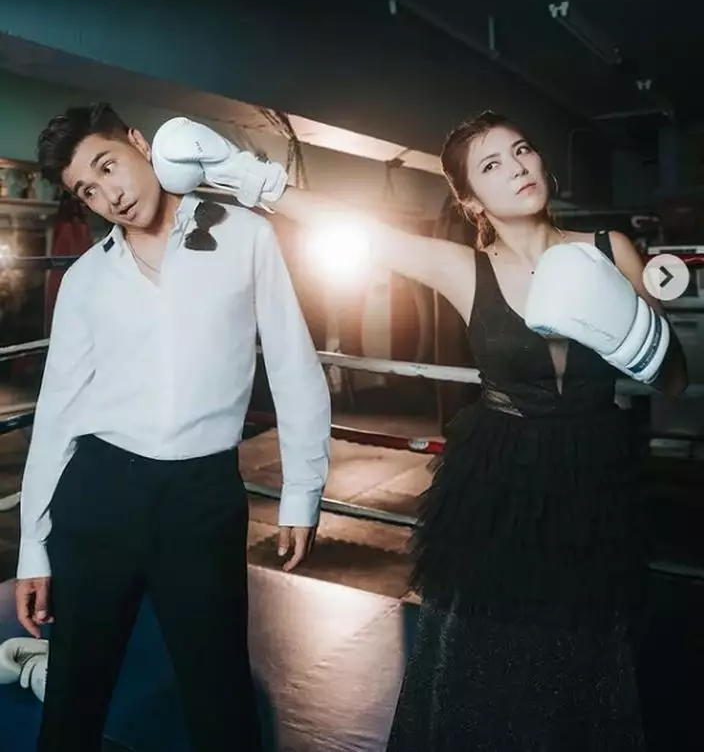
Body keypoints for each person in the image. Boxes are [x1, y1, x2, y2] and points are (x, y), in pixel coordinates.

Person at [151, 109, 687, 751]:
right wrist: (246, 173)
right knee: (485, 656)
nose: (517, 168)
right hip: (502, 477)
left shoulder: (609, 248)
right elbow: (364, 232)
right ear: (471, 200)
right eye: (492, 165)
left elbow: (675, 379)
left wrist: (633, 327)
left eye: (522, 150)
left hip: (595, 475)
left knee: (589, 655)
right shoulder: (465, 268)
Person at [15, 102, 331, 752]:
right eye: (87, 190)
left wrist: (303, 489)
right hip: (99, 492)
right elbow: (58, 414)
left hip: (201, 499)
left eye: (107, 166)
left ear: (139, 141)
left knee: (221, 703)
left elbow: (294, 365)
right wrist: (32, 547)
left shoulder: (247, 236)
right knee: (72, 700)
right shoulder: (85, 279)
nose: (109, 195)